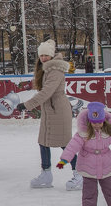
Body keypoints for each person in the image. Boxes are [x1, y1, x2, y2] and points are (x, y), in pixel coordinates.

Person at [17, 40, 79, 189]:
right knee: (43, 142)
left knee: (65, 144)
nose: (43, 58)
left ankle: (79, 174)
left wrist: (27, 105)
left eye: (46, 55)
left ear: (51, 55)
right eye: (41, 55)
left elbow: (47, 92)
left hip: (58, 111)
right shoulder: (45, 69)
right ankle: (46, 174)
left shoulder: (56, 70)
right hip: (49, 111)